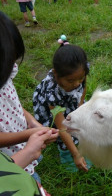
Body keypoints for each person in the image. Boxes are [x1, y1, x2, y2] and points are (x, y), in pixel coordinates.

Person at [0, 11, 59, 186]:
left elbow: (12, 102)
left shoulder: (4, 73)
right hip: (9, 161)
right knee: (29, 184)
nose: (13, 67)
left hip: (23, 145)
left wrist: (32, 122)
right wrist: (28, 138)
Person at [33, 35, 92, 172]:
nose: (77, 83)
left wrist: (80, 105)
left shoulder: (79, 72)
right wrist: (76, 155)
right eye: (71, 81)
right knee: (65, 131)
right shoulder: (52, 92)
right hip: (54, 108)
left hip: (69, 100)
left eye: (80, 78)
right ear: (55, 74)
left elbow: (83, 85)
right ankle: (67, 155)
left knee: (81, 122)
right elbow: (62, 128)